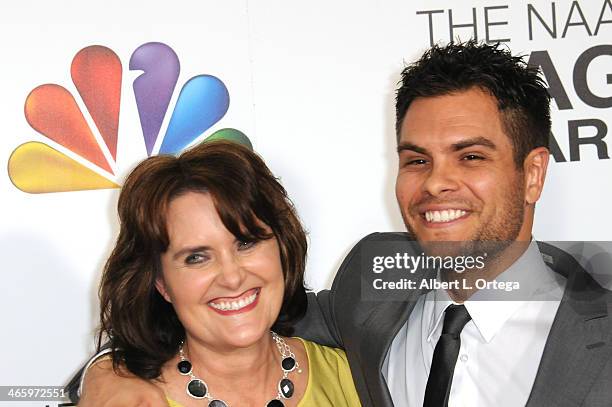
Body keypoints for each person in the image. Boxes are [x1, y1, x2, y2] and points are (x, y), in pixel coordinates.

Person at [69, 41, 612, 406]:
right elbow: (239, 317)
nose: (436, 184)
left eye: (471, 157)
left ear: (533, 173)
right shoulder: (373, 279)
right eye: (416, 159)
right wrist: (107, 374)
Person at [74, 140, 361, 406]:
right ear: (161, 283)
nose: (232, 277)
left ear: (282, 248)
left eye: (246, 243)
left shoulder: (356, 378)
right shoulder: (126, 399)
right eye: (196, 257)